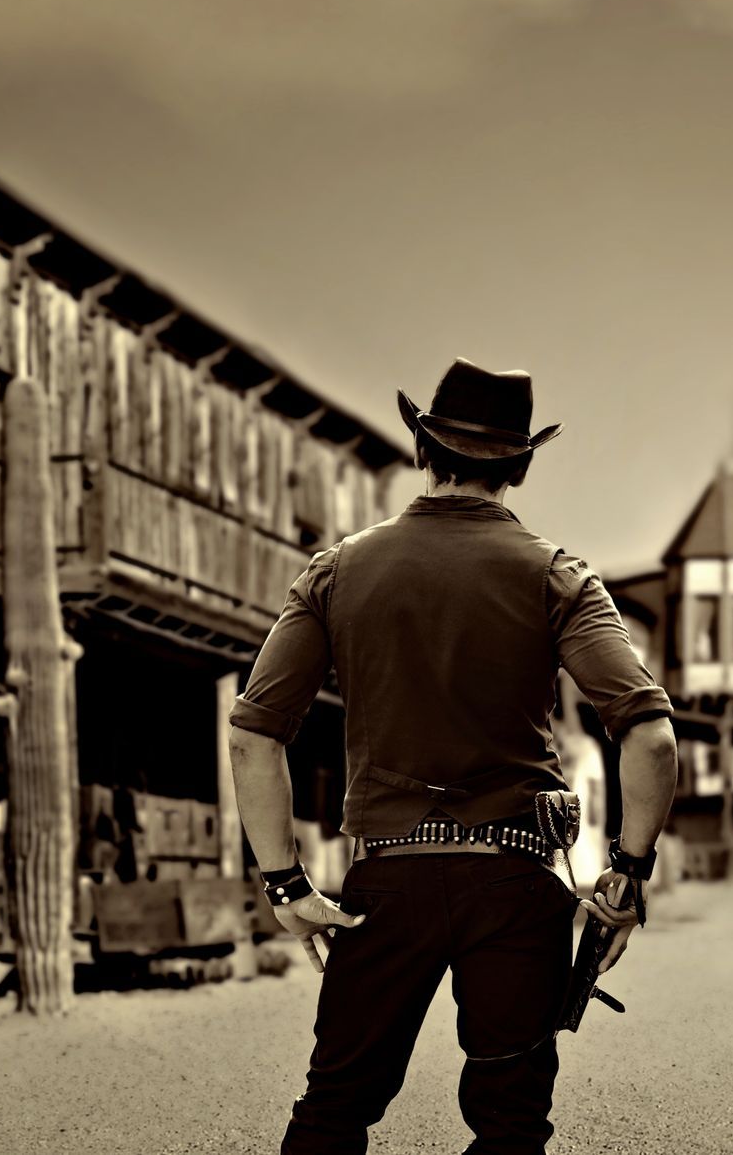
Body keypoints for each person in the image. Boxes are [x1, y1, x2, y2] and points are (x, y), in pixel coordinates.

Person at [226, 357, 680, 1155]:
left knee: (334, 1109)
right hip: (512, 882)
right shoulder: (556, 575)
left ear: (422, 450)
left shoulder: (336, 572)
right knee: (510, 1123)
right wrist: (627, 876)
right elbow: (649, 732)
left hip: (386, 882)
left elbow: (253, 732)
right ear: (520, 465)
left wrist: (286, 882)